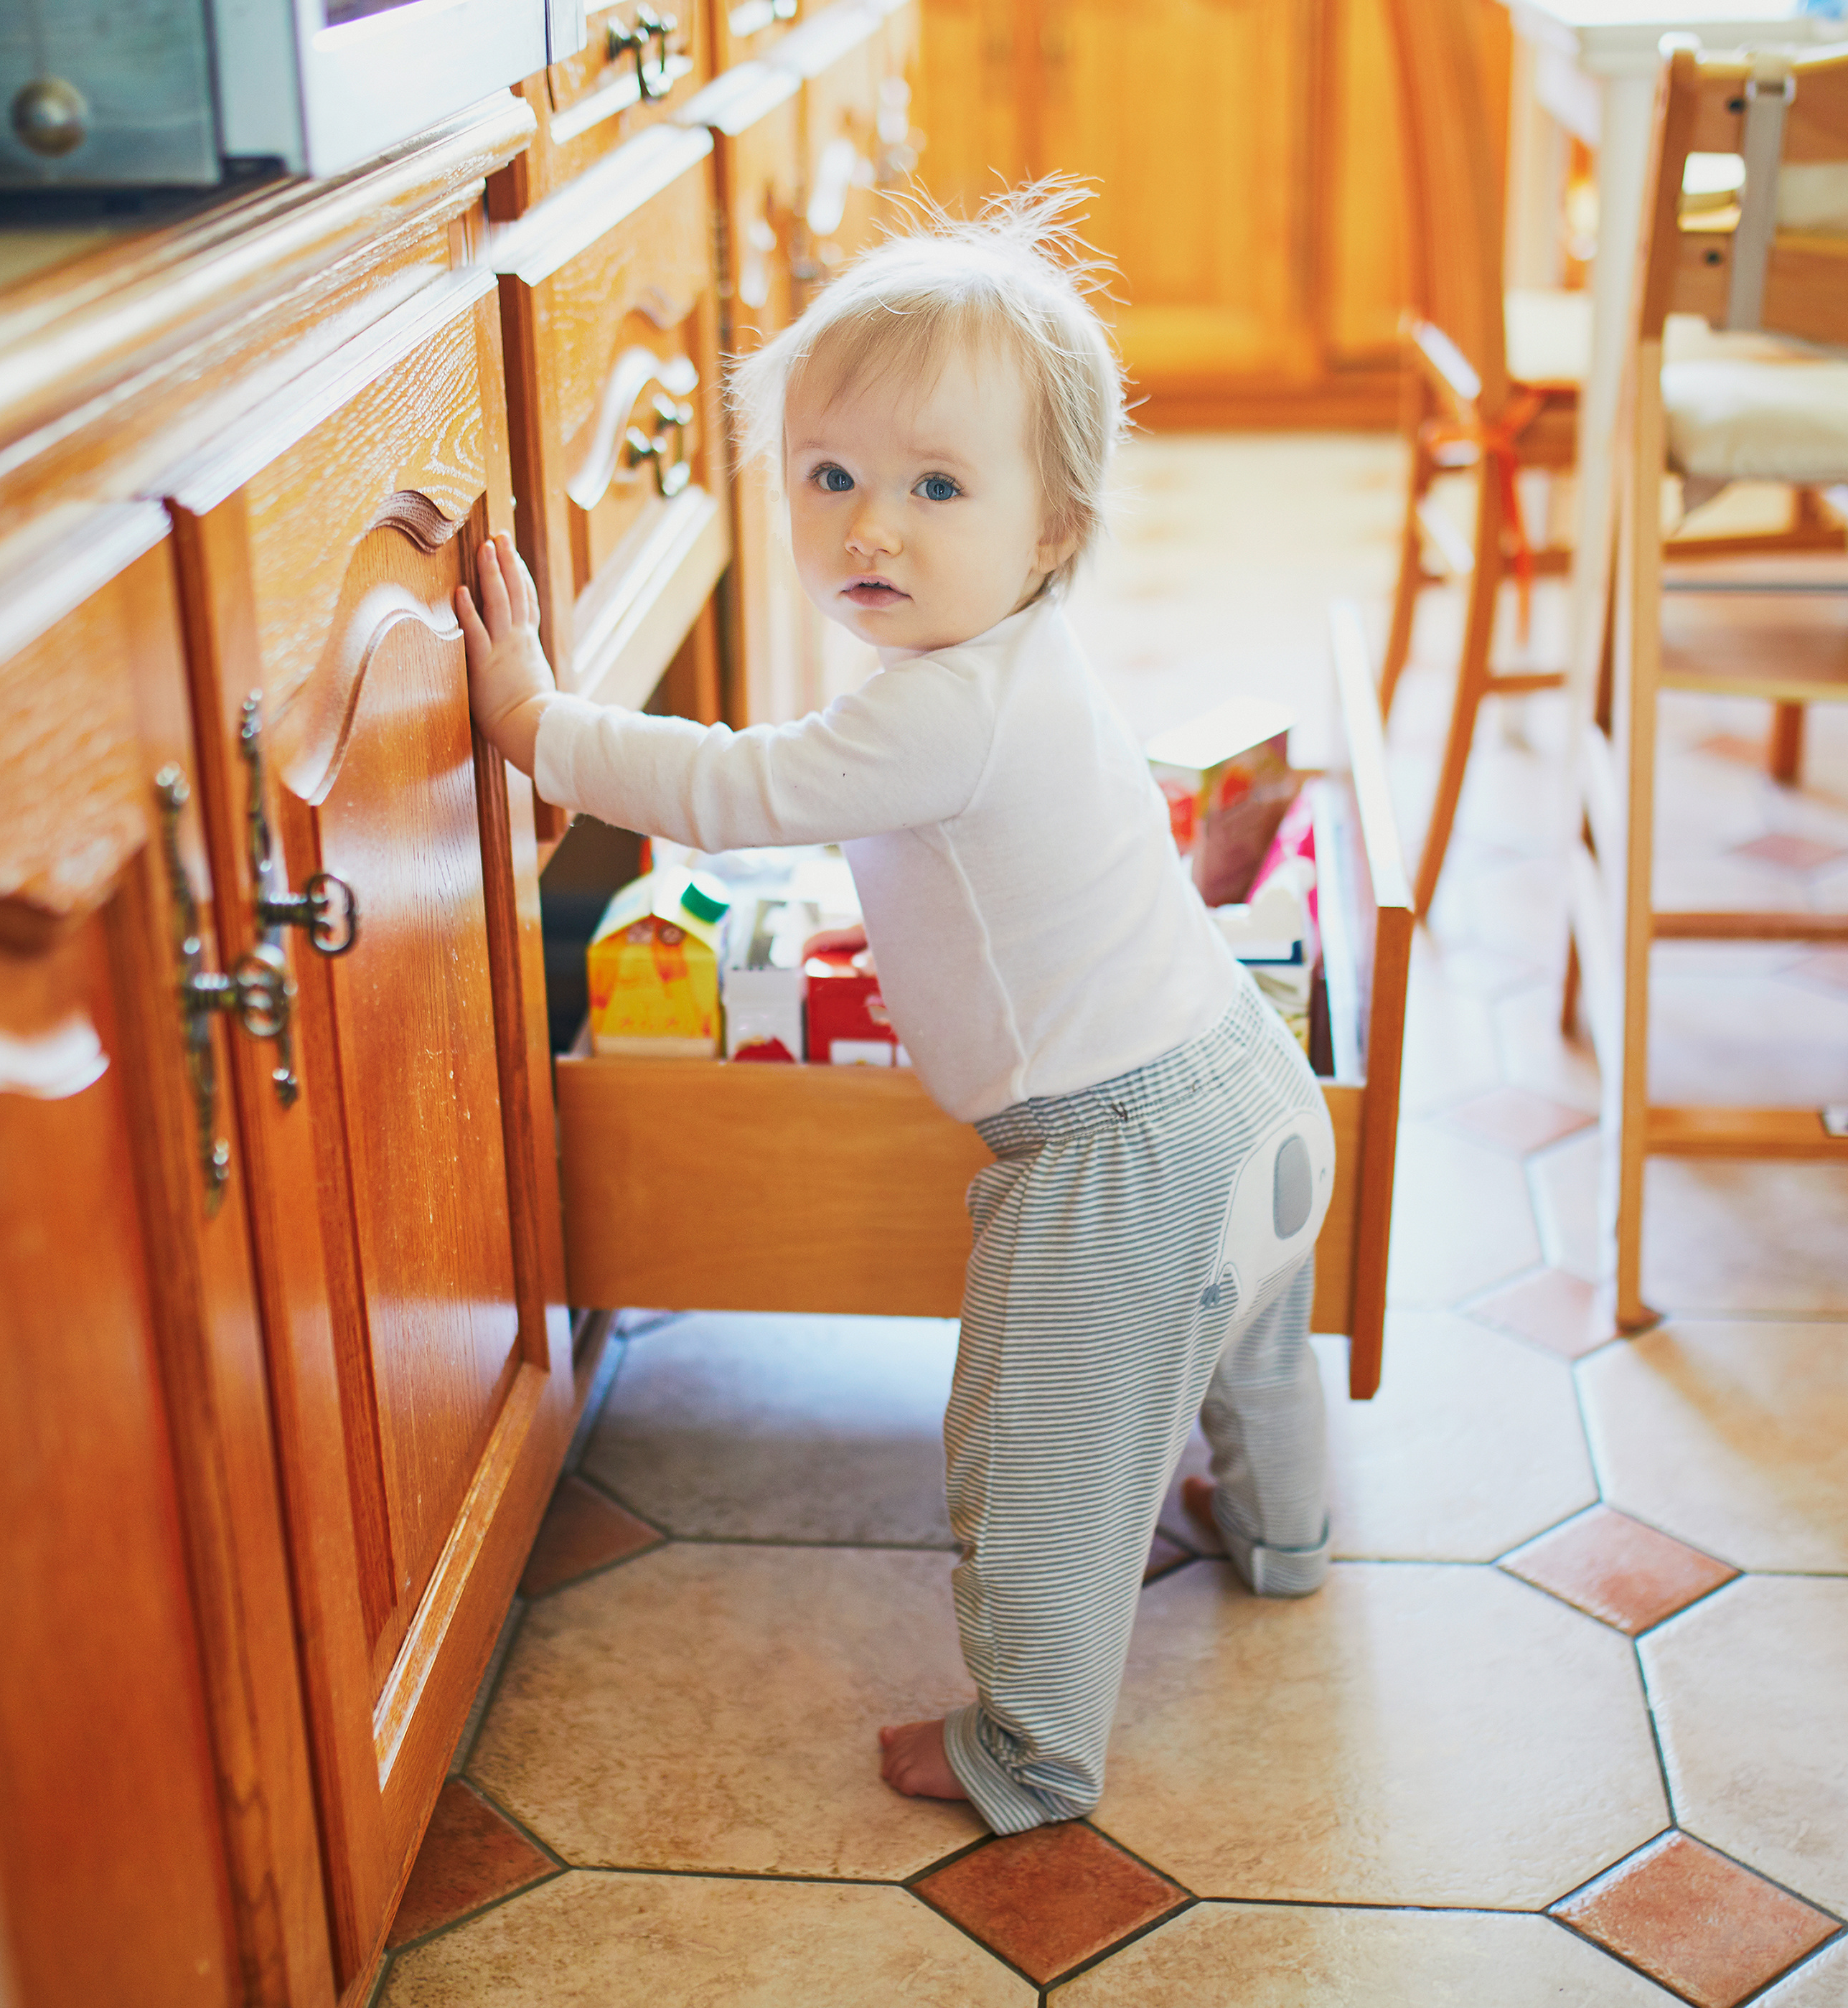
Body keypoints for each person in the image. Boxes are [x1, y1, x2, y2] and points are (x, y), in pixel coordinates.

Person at [456, 184, 1335, 1834]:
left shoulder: (931, 713)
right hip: (1247, 1088)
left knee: (1043, 1469)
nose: (871, 528)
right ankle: (1284, 1536)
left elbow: (726, 786)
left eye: (936, 487)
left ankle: (1030, 1751)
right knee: (1250, 1346)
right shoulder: (1025, 661)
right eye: (829, 477)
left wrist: (532, 721)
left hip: (1111, 1161)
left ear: (1053, 528)